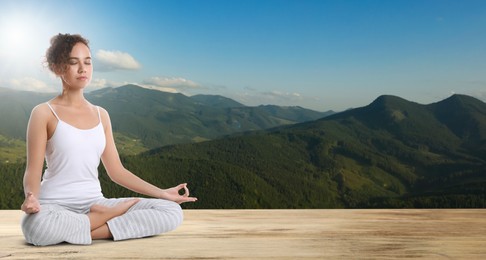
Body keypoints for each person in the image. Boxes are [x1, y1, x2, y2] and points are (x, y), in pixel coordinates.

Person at [20, 33, 197, 246]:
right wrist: (31, 196)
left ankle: (88, 228)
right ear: (57, 68)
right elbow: (33, 169)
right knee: (36, 229)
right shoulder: (43, 113)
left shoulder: (101, 114)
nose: (83, 69)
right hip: (55, 205)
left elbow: (117, 171)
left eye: (88, 62)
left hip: (95, 202)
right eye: (73, 63)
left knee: (171, 211)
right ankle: (103, 220)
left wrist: (162, 193)